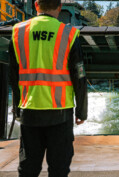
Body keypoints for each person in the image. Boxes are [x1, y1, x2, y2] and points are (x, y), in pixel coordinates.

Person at [9, 0, 88, 176]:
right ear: (59, 8)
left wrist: (17, 109)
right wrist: (81, 111)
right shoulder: (69, 34)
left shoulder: (18, 32)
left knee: (28, 169)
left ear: (36, 5)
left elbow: (13, 77)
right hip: (60, 113)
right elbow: (79, 77)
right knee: (59, 169)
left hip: (30, 111)